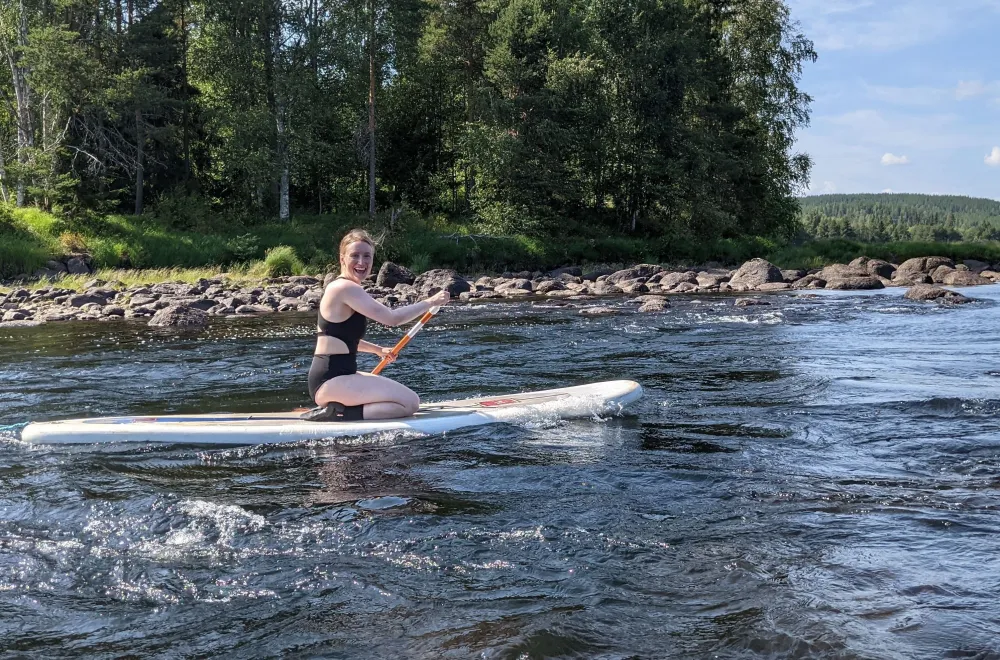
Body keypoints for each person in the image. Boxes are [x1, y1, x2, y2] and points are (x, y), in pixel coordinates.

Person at [306, 229, 450, 421]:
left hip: (331, 378)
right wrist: (430, 302)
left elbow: (339, 337)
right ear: (342, 259)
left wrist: (378, 350)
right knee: (410, 403)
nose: (361, 262)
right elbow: (392, 319)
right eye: (355, 256)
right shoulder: (345, 288)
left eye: (367, 256)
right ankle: (339, 413)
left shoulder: (344, 288)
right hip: (332, 380)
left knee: (405, 401)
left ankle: (339, 408)